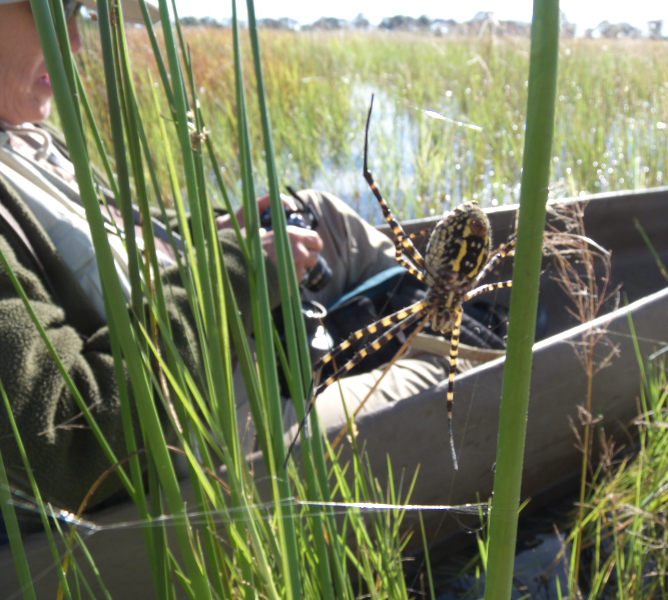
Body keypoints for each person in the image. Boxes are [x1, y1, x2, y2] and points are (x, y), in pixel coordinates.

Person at [0, 0, 499, 526]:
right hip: (201, 423)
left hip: (210, 342)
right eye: (53, 9)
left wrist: (214, 228)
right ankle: (453, 345)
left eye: (79, 14)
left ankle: (426, 322)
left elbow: (116, 227)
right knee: (463, 374)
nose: (77, 42)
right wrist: (235, 270)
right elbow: (61, 446)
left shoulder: (25, 137)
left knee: (322, 213)